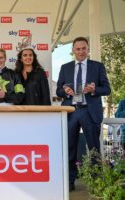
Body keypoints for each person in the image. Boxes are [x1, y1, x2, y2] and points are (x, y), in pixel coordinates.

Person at [56, 37, 111, 191]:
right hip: (71, 111)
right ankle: (69, 181)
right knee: (69, 148)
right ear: (73, 50)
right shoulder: (65, 67)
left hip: (89, 111)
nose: (81, 51)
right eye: (78, 49)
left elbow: (107, 89)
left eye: (83, 48)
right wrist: (65, 92)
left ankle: (95, 182)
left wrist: (95, 90)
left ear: (88, 50)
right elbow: (58, 90)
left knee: (93, 148)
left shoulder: (98, 66)